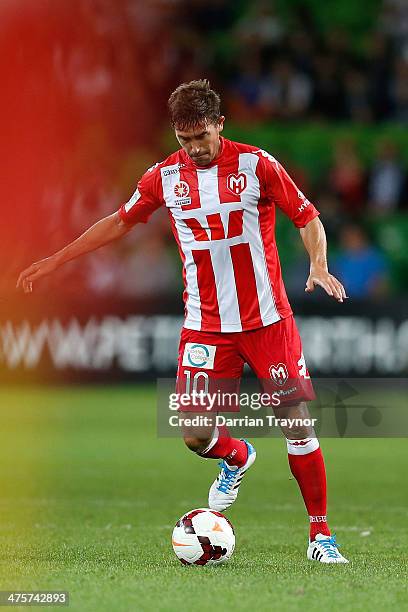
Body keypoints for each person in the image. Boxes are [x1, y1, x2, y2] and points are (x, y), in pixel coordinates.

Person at [17, 80, 348, 563]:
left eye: (201, 138)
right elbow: (119, 221)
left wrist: (317, 263)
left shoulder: (257, 165)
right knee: (195, 434)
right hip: (206, 327)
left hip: (268, 321)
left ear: (219, 125)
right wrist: (55, 260)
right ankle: (236, 455)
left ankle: (321, 537)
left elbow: (307, 217)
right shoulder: (163, 178)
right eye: (184, 140)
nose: (194, 149)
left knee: (296, 424)